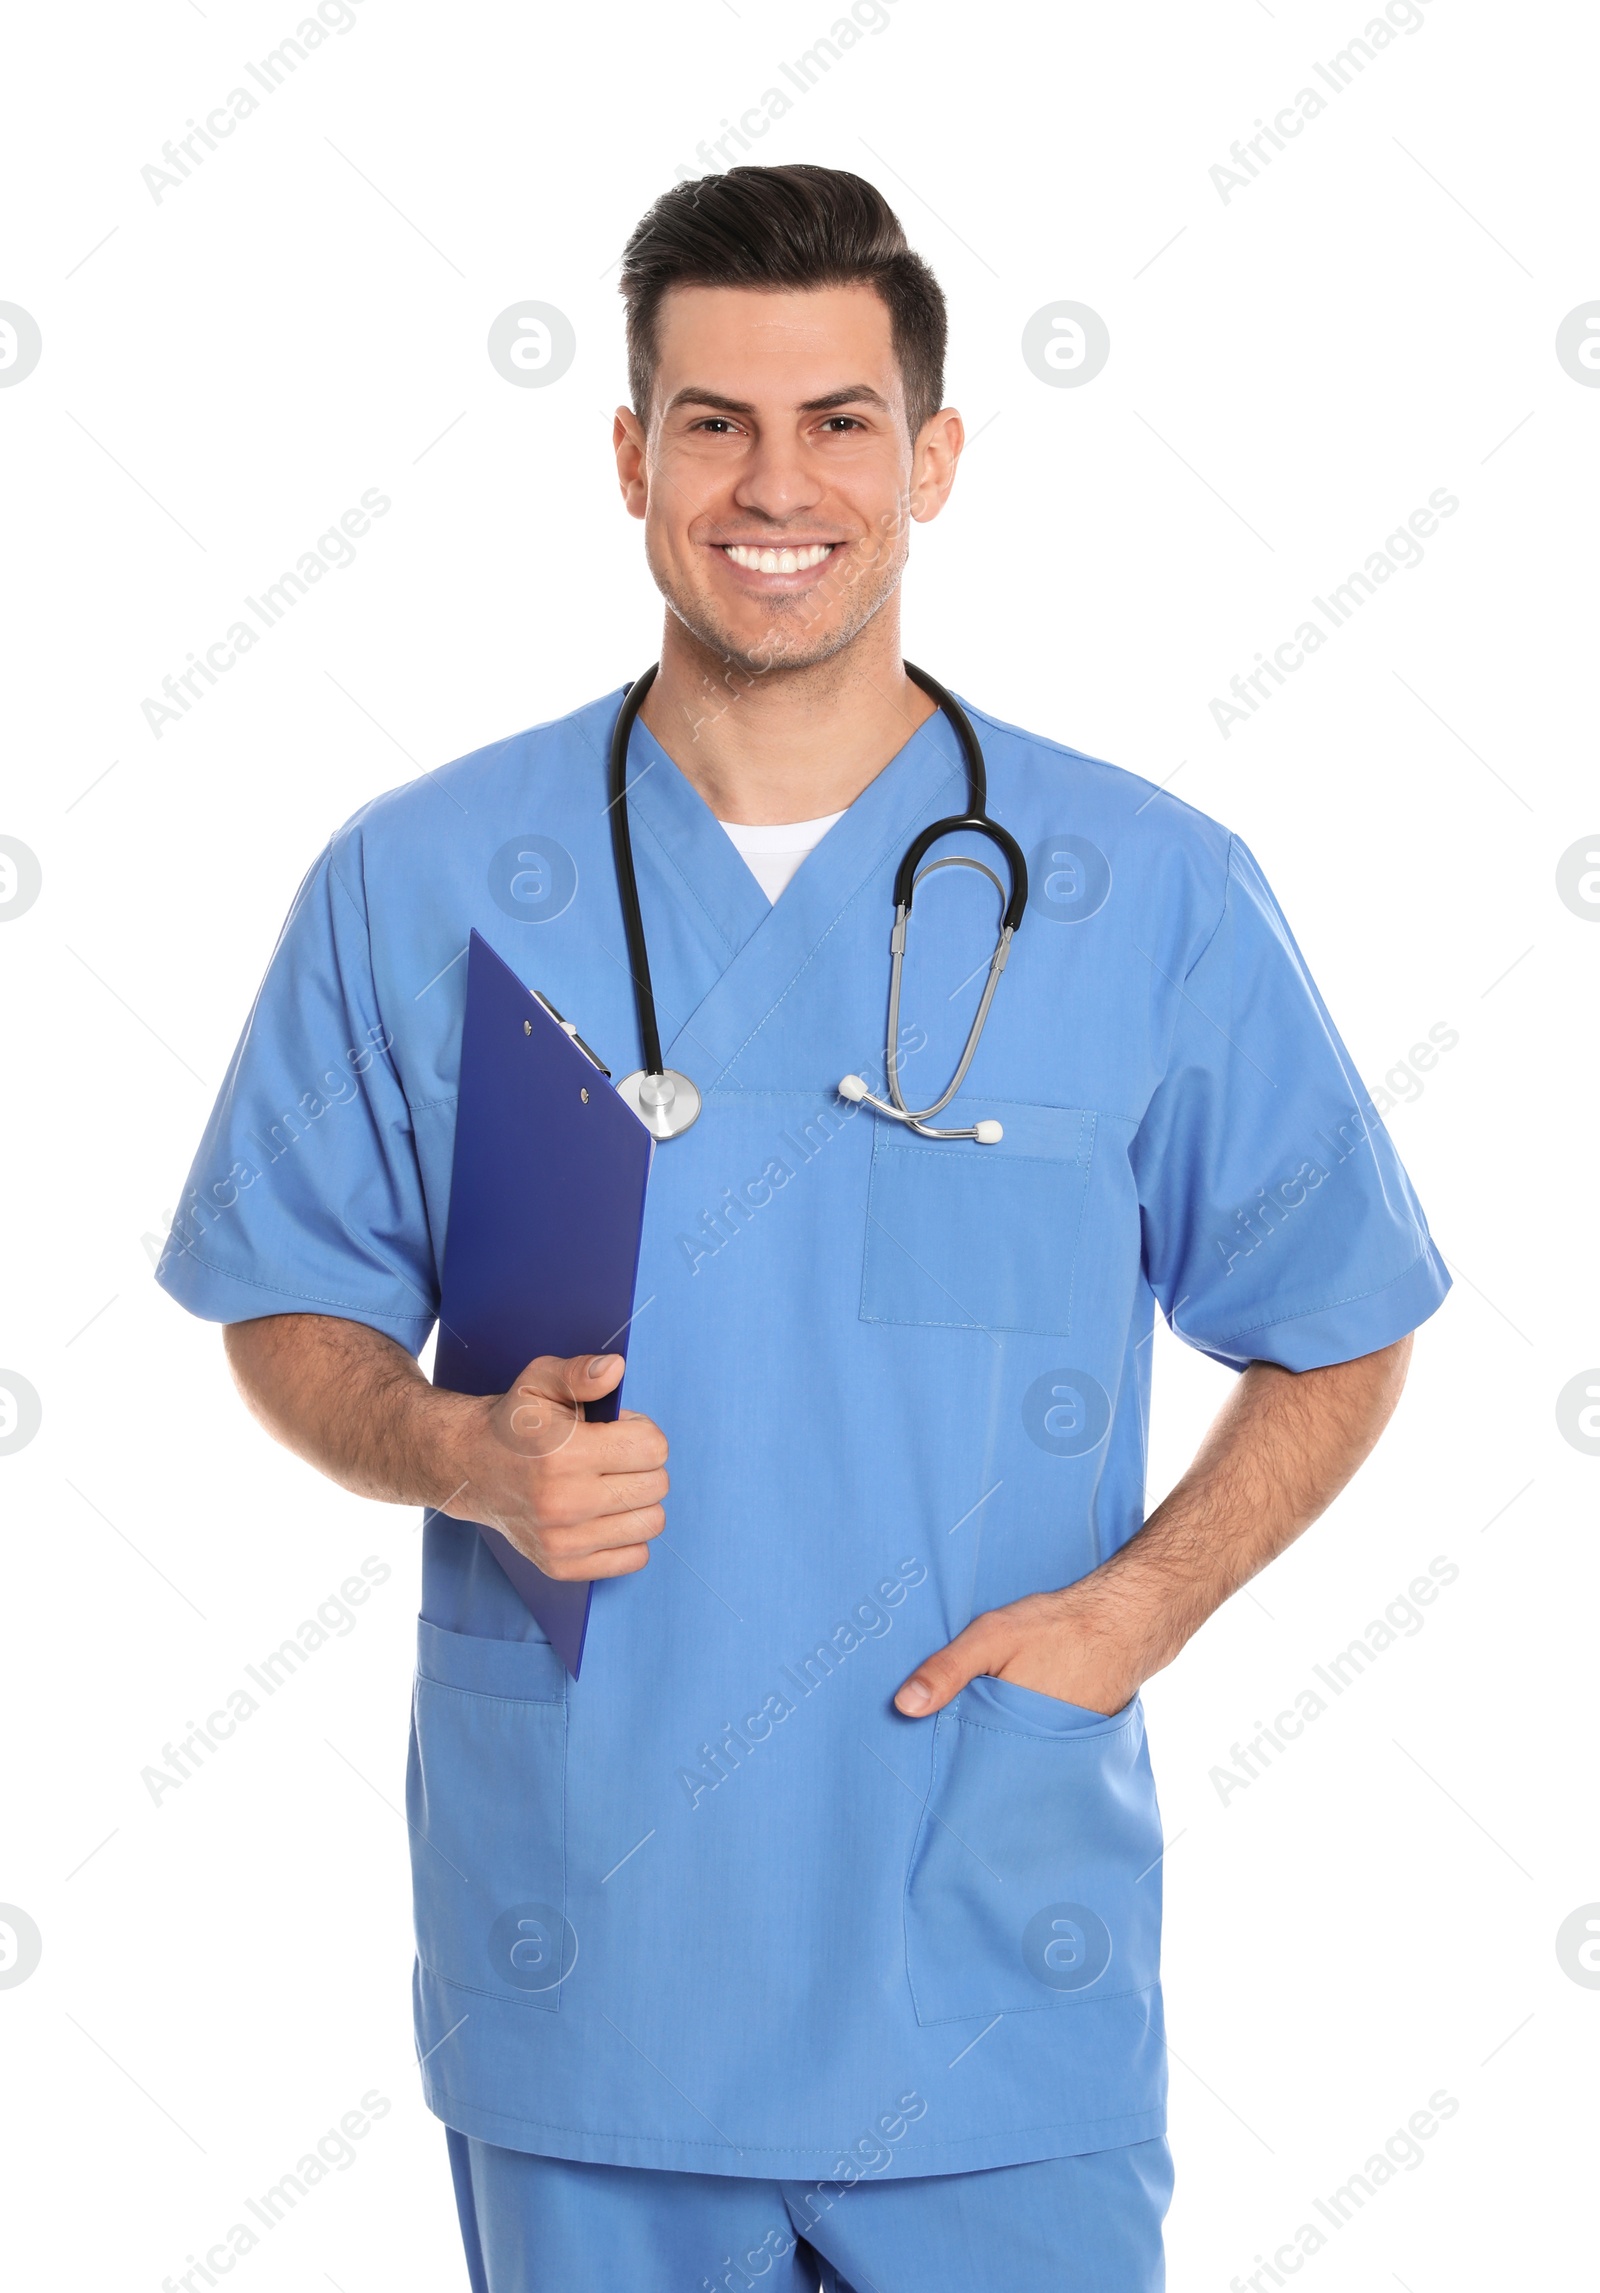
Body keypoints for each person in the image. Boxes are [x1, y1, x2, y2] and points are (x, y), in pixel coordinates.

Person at [157, 164, 1450, 2293]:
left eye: (839, 420)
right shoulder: (418, 879)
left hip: (985, 1969)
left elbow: (1336, 1320)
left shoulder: (1146, 891)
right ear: (629, 457)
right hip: (589, 1964)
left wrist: (1137, 1611)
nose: (777, 483)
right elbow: (286, 1298)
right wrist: (458, 1450)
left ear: (932, 456)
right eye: (713, 422)